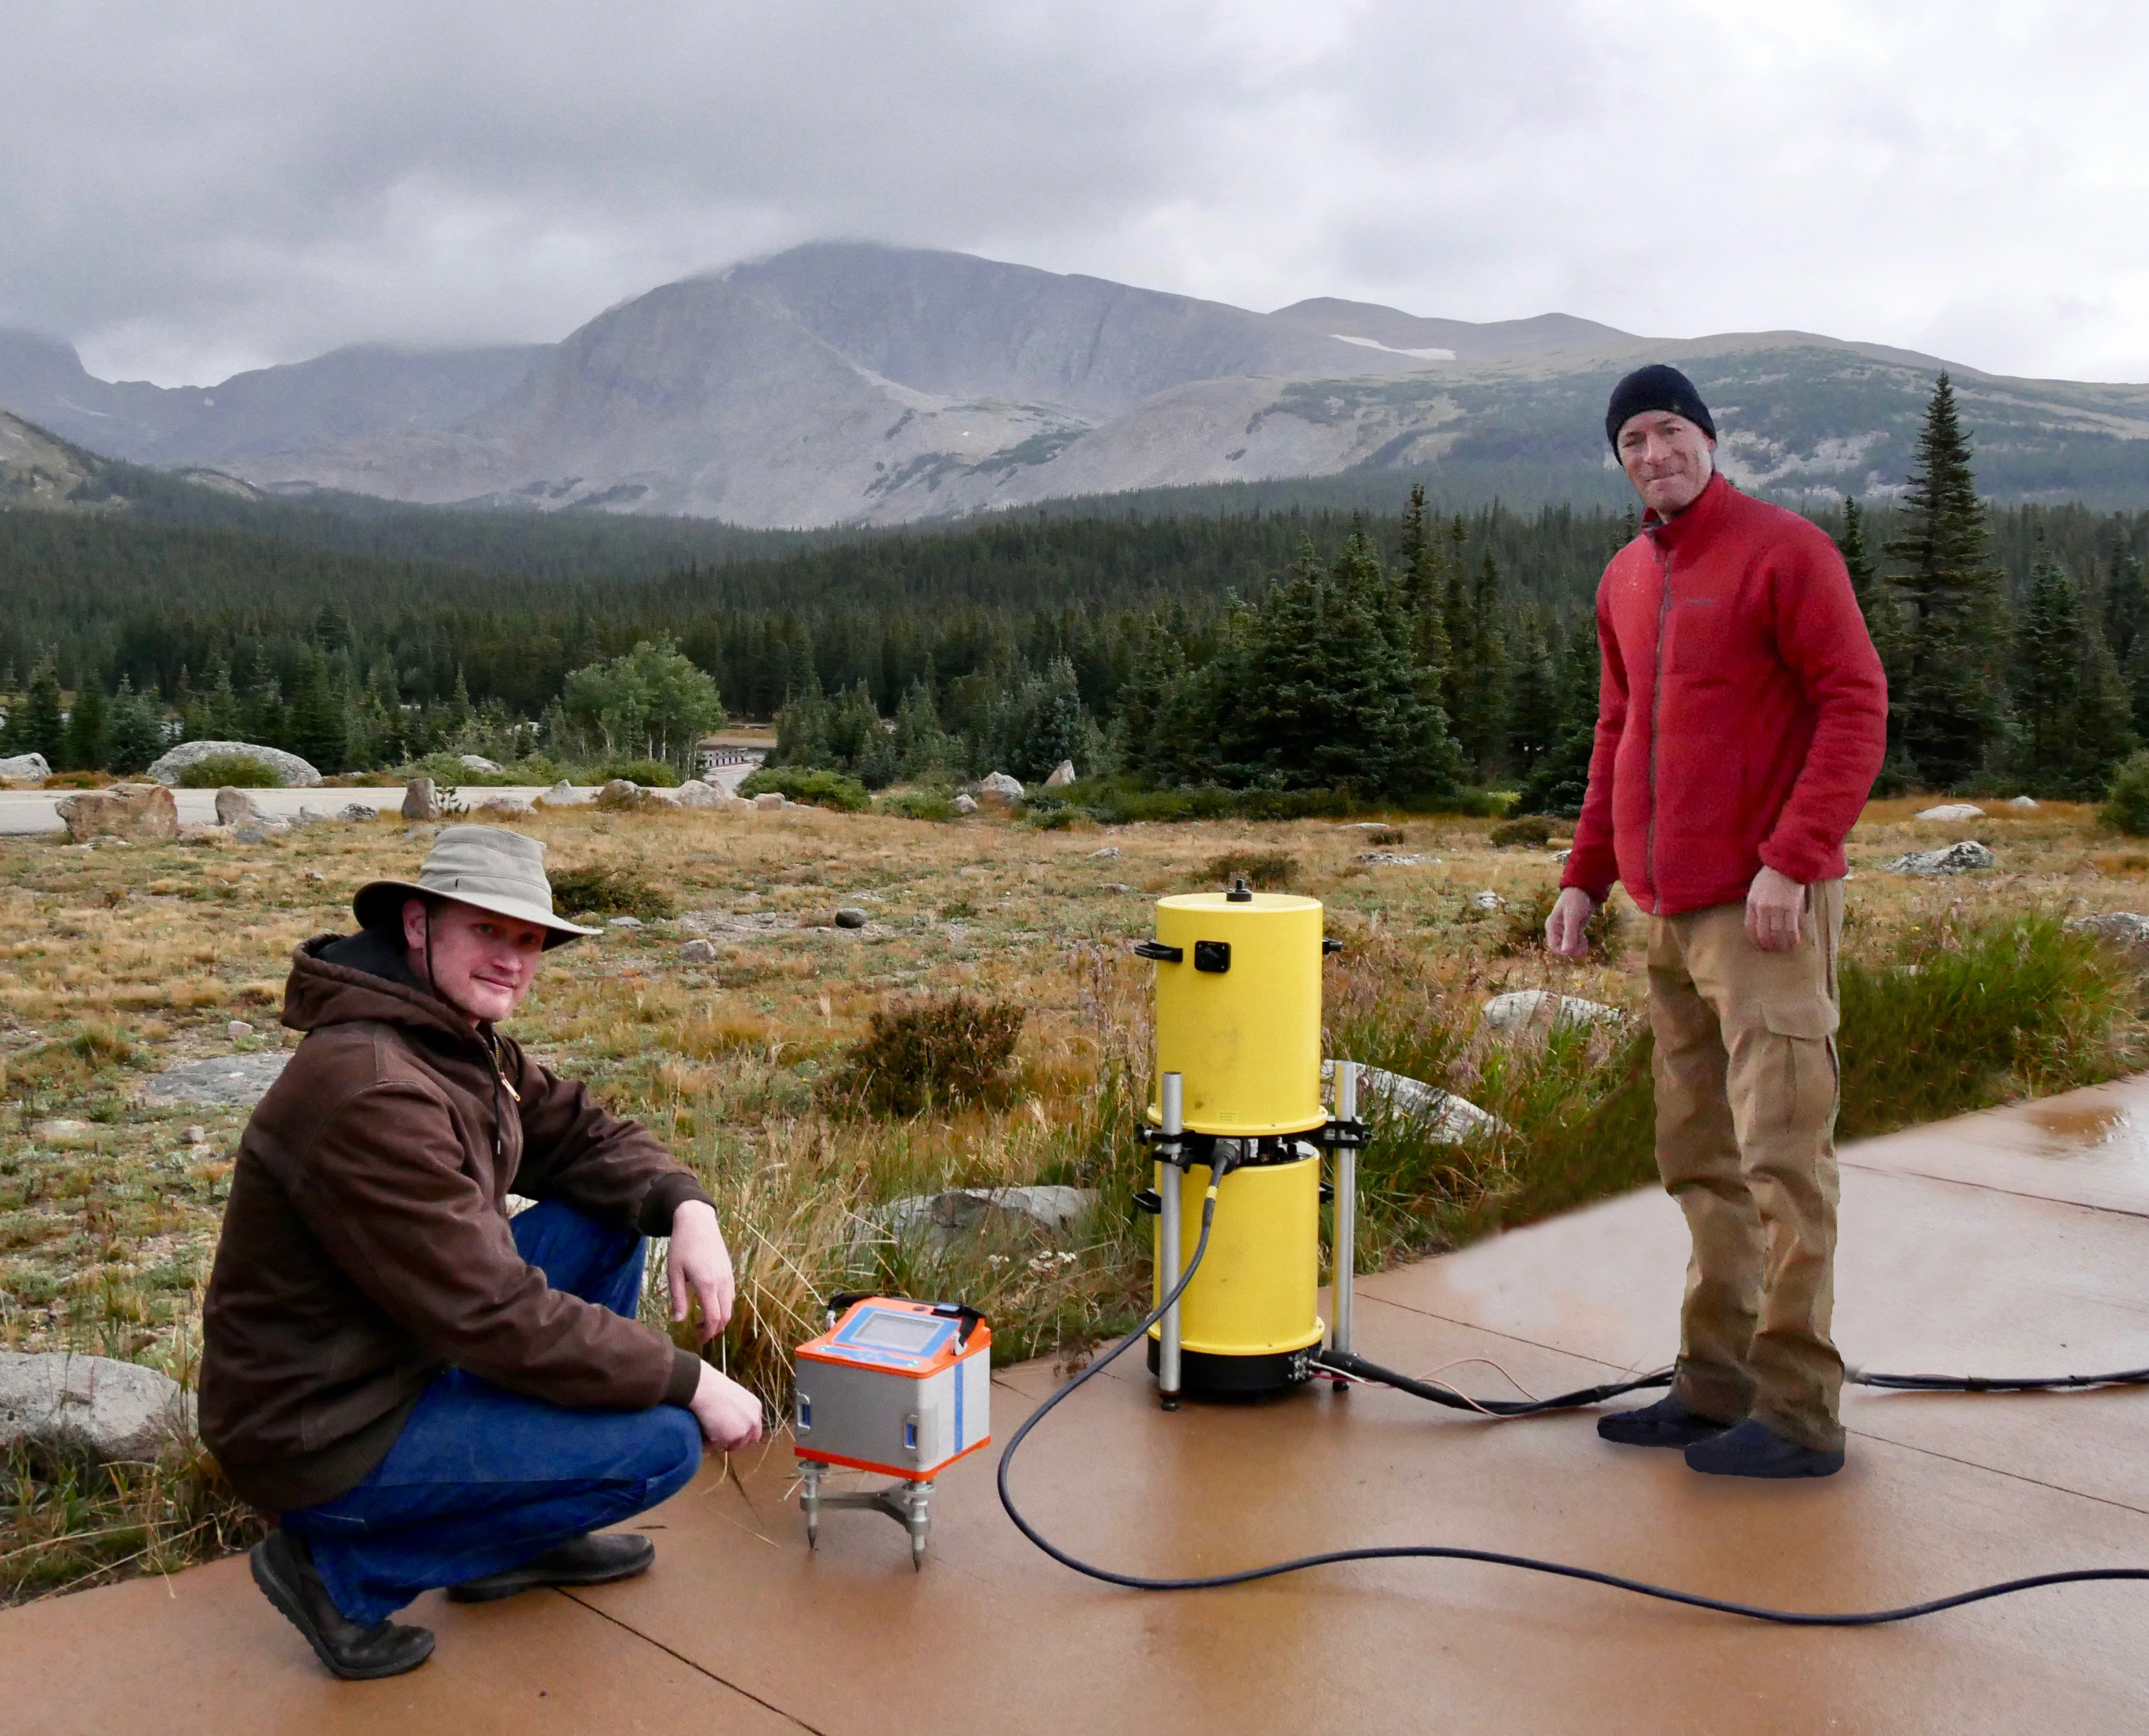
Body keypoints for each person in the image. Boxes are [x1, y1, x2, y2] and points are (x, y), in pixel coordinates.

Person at [199, 825, 765, 1679]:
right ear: (418, 925)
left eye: (529, 939)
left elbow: (579, 1134)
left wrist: (689, 1208)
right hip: (322, 1426)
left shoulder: (452, 1036)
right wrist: (694, 1380)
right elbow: (498, 1314)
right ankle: (335, 1575)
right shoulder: (371, 1088)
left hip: (393, 1353)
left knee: (604, 1214)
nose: (512, 959)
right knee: (661, 1447)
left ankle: (516, 1541)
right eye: (487, 931)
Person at [1546, 364, 1887, 1479]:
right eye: (1634, 439)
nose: (1655, 453)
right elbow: (1616, 733)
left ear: (1708, 437)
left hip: (1765, 912)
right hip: (1666, 908)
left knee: (1785, 1161)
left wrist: (1792, 860)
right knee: (1700, 1157)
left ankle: (1798, 1415)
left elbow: (1854, 703)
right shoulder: (1627, 578)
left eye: (1673, 431)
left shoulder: (1786, 551)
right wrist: (1585, 876)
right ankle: (1716, 1386)